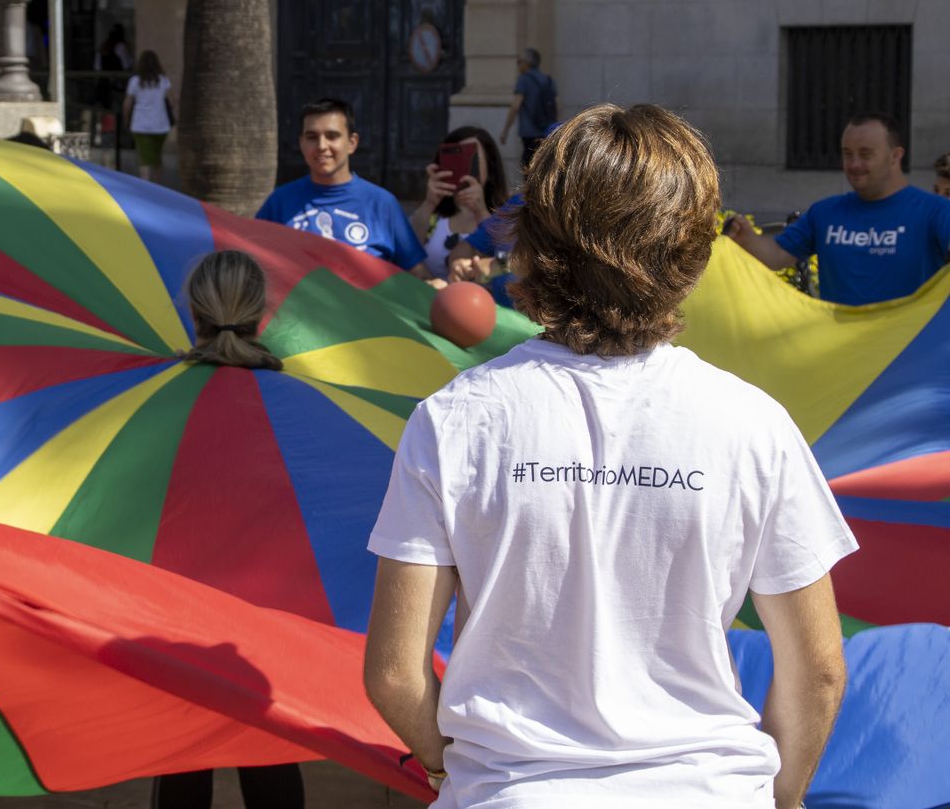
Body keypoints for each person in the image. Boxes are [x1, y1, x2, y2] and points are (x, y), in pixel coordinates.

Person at [364, 105, 855, 809]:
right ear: (691, 250)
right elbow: (819, 671)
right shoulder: (753, 424)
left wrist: (468, 773)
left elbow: (393, 673)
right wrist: (778, 796)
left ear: (537, 243)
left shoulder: (454, 419)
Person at [152, 250, 303, 809]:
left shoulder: (151, 395)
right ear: (262, 316)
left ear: (194, 314)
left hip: (178, 607)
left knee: (183, 755)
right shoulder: (300, 401)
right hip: (269, 616)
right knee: (268, 750)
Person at [726, 112, 950, 305]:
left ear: (895, 156)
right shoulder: (825, 212)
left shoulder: (936, 211)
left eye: (865, 154)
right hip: (842, 352)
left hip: (911, 351)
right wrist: (746, 238)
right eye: (847, 153)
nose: (854, 164)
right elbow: (777, 255)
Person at [256, 98, 424, 271]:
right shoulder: (279, 202)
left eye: (332, 136)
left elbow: (415, 273)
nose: (321, 146)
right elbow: (251, 261)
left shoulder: (382, 204)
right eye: (312, 137)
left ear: (352, 143)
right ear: (301, 143)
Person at [408, 127, 508, 280]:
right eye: (458, 159)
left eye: (472, 158)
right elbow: (407, 253)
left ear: (489, 166)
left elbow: (506, 258)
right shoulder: (434, 214)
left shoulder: (509, 213)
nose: (465, 167)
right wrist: (429, 203)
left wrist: (481, 212)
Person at [500, 47, 558, 173]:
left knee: (527, 164)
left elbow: (516, 105)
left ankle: (529, 191)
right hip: (547, 129)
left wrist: (505, 130)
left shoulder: (523, 79)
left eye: (519, 61)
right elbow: (556, 104)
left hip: (529, 131)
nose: (518, 65)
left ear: (526, 63)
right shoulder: (548, 79)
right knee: (543, 164)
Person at [125, 49, 176, 183]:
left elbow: (128, 104)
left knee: (144, 158)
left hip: (140, 124)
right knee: (156, 157)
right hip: (160, 124)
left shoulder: (135, 81)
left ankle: (145, 184)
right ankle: (158, 186)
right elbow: (172, 101)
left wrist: (126, 120)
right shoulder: (163, 80)